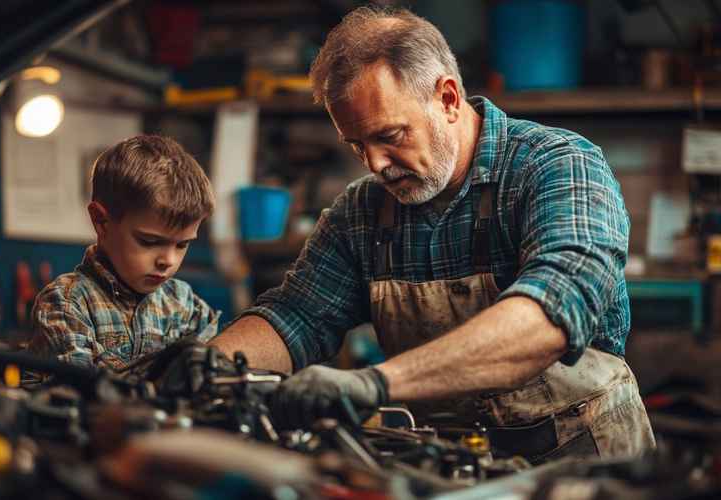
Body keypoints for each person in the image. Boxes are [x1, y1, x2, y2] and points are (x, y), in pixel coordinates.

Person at [211, 7, 655, 462]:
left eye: (389, 135)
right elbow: (297, 317)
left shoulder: (557, 166)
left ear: (447, 98)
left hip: (585, 466)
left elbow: (552, 315)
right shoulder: (361, 213)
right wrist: (210, 363)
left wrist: (377, 382)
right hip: (447, 466)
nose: (376, 164)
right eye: (358, 145)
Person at [27, 134, 219, 374]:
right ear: (101, 221)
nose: (168, 260)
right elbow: (83, 390)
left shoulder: (185, 306)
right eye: (149, 241)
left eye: (182, 245)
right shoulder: (67, 304)